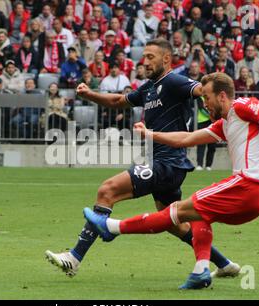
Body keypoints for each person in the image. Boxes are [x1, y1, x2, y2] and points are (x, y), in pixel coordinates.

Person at [84, 72, 259, 289]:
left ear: (221, 96)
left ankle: (111, 227)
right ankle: (202, 271)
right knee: (197, 215)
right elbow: (185, 139)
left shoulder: (243, 106)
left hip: (249, 185)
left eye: (206, 97)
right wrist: (150, 134)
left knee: (175, 211)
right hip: (257, 195)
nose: (203, 103)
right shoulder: (226, 123)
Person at [45, 39, 238, 279]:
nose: (144, 61)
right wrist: (90, 94)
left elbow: (202, 89)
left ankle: (74, 258)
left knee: (107, 190)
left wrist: (226, 102)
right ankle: (224, 263)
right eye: (144, 56)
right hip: (166, 164)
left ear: (166, 59)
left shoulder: (174, 81)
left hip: (167, 163)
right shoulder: (149, 88)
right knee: (173, 223)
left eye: (150, 57)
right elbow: (118, 101)